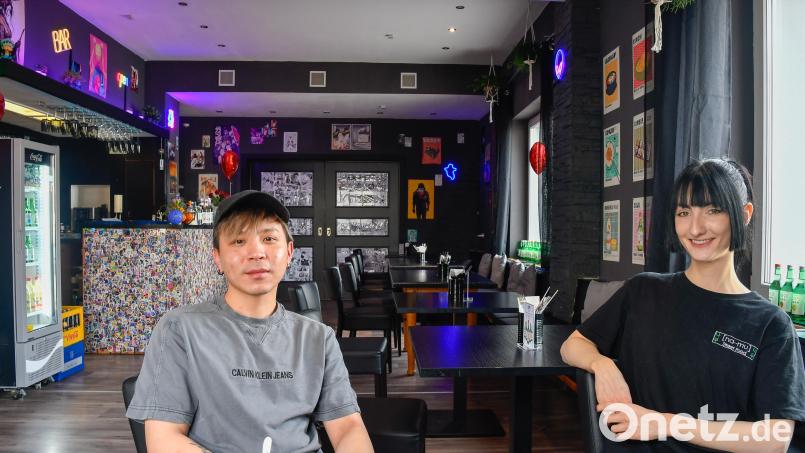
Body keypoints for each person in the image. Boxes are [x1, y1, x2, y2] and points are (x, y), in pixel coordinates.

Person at [560, 158, 805, 452]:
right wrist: (601, 365)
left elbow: (776, 437)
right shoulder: (644, 290)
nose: (696, 228)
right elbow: (573, 345)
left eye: (714, 210)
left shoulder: (771, 324)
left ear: (745, 214)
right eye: (684, 212)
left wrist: (667, 423)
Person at [126, 190, 373, 453]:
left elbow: (348, 427)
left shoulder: (318, 339)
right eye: (238, 241)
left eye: (269, 238)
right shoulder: (180, 329)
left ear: (289, 252)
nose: (256, 252)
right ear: (217, 257)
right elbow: (164, 438)